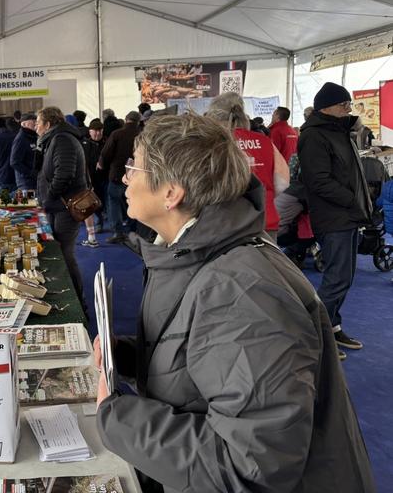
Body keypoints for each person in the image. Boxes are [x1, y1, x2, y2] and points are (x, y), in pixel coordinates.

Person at [95, 113, 376, 493]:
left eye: (134, 167)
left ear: (171, 193)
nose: (125, 178)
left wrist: (118, 419)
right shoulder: (199, 256)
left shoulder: (241, 290)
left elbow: (249, 466)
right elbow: (207, 357)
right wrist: (128, 357)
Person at [298, 82, 373, 352]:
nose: (348, 109)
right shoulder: (314, 136)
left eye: (349, 104)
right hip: (334, 216)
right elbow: (318, 181)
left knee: (346, 276)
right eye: (344, 105)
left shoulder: (340, 132)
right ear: (326, 107)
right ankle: (316, 335)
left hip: (347, 215)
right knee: (337, 278)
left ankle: (332, 325)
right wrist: (352, 200)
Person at [207, 92, 288, 240]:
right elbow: (283, 182)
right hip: (265, 219)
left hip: (228, 223)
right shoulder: (264, 140)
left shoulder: (213, 142)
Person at [36, 106, 87, 307]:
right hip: (58, 206)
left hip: (65, 207)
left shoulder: (62, 140)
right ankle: (70, 295)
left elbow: (64, 174)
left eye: (39, 124)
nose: (37, 128)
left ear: (48, 124)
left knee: (65, 254)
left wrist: (49, 195)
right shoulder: (55, 139)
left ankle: (77, 300)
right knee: (61, 252)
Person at [100, 111, 141, 244]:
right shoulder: (143, 135)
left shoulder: (117, 134)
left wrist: (102, 165)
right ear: (138, 121)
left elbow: (106, 153)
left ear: (126, 119)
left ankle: (118, 232)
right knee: (135, 202)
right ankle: (133, 231)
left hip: (117, 175)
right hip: (137, 176)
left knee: (114, 202)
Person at [80, 118, 106, 247]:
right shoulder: (84, 143)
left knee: (100, 203)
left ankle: (97, 226)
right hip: (88, 180)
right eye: (95, 131)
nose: (97, 134)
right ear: (89, 131)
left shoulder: (106, 142)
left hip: (103, 178)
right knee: (89, 205)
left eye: (100, 131)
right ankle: (93, 231)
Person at [10, 112, 38, 191]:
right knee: (30, 202)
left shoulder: (33, 136)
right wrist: (31, 173)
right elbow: (14, 162)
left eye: (36, 122)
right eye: (33, 122)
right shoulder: (21, 139)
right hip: (26, 184)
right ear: (24, 124)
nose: (35, 125)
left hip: (34, 181)